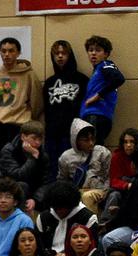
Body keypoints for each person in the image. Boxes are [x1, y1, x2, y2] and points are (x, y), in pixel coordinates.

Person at [0, 38, 43, 206]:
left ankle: (16, 200)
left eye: (11, 50)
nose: (7, 54)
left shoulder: (29, 75)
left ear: (18, 53)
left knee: (16, 167)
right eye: (4, 51)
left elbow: (37, 104)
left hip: (17, 127)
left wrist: (26, 120)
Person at [43, 40, 89, 178]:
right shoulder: (49, 83)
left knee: (74, 171)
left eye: (64, 53)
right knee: (53, 170)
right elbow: (46, 109)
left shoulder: (82, 80)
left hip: (73, 134)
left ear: (70, 55)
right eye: (57, 53)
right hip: (52, 135)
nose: (60, 56)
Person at [36, 181, 98, 256]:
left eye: (63, 209)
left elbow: (92, 248)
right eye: (56, 209)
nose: (59, 212)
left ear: (72, 206)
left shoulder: (88, 218)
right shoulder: (43, 217)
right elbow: (39, 245)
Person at [59, 119, 111, 214]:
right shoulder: (66, 157)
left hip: (99, 190)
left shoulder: (102, 152)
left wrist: (105, 192)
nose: (91, 143)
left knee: (87, 196)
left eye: (92, 139)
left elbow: (109, 175)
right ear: (76, 140)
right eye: (86, 140)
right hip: (77, 190)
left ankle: (91, 227)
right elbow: (62, 181)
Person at [80, 36, 126, 145]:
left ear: (106, 54)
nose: (93, 53)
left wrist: (98, 96)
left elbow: (119, 79)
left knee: (93, 150)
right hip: (92, 115)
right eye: (90, 50)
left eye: (98, 50)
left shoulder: (105, 65)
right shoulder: (97, 70)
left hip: (97, 115)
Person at [0, 120, 50, 211]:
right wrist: (32, 158)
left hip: (33, 193)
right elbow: (18, 176)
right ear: (23, 137)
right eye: (34, 138)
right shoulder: (9, 150)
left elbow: (45, 182)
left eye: (40, 139)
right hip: (9, 190)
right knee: (22, 185)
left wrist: (35, 199)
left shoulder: (43, 155)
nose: (38, 142)